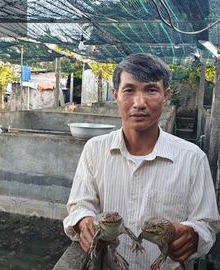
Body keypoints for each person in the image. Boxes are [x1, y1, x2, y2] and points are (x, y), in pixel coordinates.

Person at [63, 53, 220, 270]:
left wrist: (194, 235)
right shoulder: (94, 150)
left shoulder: (192, 158)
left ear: (166, 96)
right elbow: (80, 205)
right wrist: (84, 222)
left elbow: (207, 224)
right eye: (129, 90)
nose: (139, 103)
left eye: (151, 90)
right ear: (116, 95)